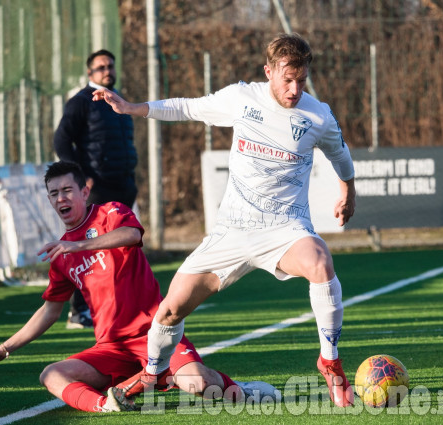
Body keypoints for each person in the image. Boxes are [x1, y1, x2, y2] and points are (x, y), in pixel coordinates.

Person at [92, 33, 356, 407]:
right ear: (269, 72)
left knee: (320, 260)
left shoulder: (317, 116)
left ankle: (330, 363)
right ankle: (154, 373)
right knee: (169, 311)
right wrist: (134, 108)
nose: (295, 89)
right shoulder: (242, 98)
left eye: (301, 80)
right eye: (287, 79)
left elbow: (340, 155)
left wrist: (349, 191)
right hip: (230, 233)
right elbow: (187, 107)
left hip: (284, 231)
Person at [0, 161, 279, 412]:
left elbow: (132, 235)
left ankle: (243, 392)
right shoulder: (61, 256)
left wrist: (79, 247)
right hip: (111, 347)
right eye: (54, 193)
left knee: (196, 383)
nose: (61, 198)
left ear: (84, 191)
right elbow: (50, 310)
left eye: (67, 190)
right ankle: (108, 404)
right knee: (51, 374)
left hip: (155, 334)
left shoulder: (110, 213)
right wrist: (4, 348)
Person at [53, 49, 139, 330]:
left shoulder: (119, 101)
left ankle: (118, 305)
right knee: (91, 249)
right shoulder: (80, 103)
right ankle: (79, 311)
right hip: (97, 188)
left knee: (123, 249)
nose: (107, 71)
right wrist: (82, 180)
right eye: (100, 67)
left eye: (110, 66)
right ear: (90, 74)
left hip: (123, 185)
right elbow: (62, 141)